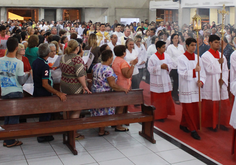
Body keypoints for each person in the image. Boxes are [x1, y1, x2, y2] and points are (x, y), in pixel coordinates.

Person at [32, 43, 67, 143]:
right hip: (43, 93)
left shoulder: (36, 62)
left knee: (44, 114)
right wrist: (58, 93)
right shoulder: (44, 65)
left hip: (37, 91)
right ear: (47, 53)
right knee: (45, 115)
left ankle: (43, 133)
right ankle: (43, 135)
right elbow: (45, 84)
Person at [0, 37, 30, 147]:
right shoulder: (19, 63)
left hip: (4, 91)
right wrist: (27, 75)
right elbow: (21, 81)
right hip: (16, 91)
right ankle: (10, 141)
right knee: (14, 118)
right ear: (17, 48)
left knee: (7, 117)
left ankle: (5, 138)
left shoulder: (0, 60)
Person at [91, 50, 128, 136]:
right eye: (112, 57)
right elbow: (113, 85)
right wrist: (123, 89)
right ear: (109, 58)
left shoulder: (96, 66)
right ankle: (101, 130)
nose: (112, 59)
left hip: (95, 91)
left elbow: (93, 75)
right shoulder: (108, 69)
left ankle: (101, 128)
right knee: (104, 111)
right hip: (104, 94)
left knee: (99, 110)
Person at [60, 39, 91, 139]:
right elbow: (80, 74)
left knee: (66, 108)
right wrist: (85, 86)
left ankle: (66, 129)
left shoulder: (63, 57)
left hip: (64, 84)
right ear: (77, 48)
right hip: (75, 86)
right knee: (77, 109)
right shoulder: (77, 58)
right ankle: (73, 132)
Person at [201, 35, 231, 131]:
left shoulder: (221, 55)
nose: (218, 44)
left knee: (222, 103)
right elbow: (209, 70)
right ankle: (211, 124)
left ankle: (221, 122)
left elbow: (225, 70)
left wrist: (224, 79)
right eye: (215, 42)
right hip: (211, 82)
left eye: (218, 42)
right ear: (210, 43)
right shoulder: (205, 56)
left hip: (221, 83)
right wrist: (218, 63)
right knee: (211, 103)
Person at [178, 38, 206, 140]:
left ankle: (183, 124)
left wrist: (201, 81)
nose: (194, 47)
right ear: (187, 46)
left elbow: (203, 73)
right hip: (186, 87)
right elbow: (182, 73)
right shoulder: (181, 58)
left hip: (195, 87)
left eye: (195, 45)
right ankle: (193, 130)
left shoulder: (198, 58)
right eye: (192, 45)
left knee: (193, 108)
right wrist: (194, 71)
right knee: (189, 109)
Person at [148, 41, 175, 122]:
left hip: (165, 79)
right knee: (158, 99)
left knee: (166, 98)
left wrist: (167, 67)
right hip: (157, 81)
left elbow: (171, 64)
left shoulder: (167, 56)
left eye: (165, 46)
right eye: (163, 47)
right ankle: (158, 115)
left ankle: (165, 113)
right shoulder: (152, 57)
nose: (165, 48)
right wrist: (160, 67)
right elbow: (149, 69)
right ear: (158, 48)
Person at [112, 45, 138, 131]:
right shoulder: (122, 62)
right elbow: (127, 74)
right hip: (123, 86)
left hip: (117, 83)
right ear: (124, 53)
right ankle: (118, 125)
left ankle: (115, 122)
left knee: (118, 106)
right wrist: (133, 65)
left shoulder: (115, 60)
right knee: (120, 107)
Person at [166, 34, 185, 104]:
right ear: (172, 39)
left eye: (177, 38)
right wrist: (176, 64)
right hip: (174, 67)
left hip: (181, 67)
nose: (176, 39)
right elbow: (169, 58)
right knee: (175, 81)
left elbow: (183, 55)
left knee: (179, 82)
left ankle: (176, 93)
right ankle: (174, 95)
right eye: (175, 38)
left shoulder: (181, 46)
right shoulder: (170, 47)